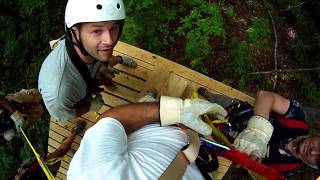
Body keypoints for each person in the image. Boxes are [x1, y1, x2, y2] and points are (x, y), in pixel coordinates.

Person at [67, 90, 228, 179]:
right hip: (201, 161)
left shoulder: (88, 173)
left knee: (146, 105)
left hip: (168, 127)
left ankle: (148, 100)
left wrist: (175, 110)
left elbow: (112, 122)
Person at [38, 0, 137, 122]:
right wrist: (90, 106)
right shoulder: (59, 94)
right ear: (75, 33)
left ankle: (120, 60)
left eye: (113, 28)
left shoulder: (88, 47)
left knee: (107, 61)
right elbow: (65, 114)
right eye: (97, 31)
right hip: (81, 85)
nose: (110, 40)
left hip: (91, 66)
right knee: (103, 63)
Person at [233, 90, 319, 178]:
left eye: (319, 160)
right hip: (231, 113)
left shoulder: (283, 173)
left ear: (314, 167)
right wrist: (258, 130)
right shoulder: (296, 116)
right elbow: (265, 96)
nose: (313, 152)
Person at [13, 120, 86, 180]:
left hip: (42, 165)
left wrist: (35, 159)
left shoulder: (18, 177)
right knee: (60, 152)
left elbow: (23, 168)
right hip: (46, 173)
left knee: (60, 152)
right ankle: (71, 138)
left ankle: (72, 136)